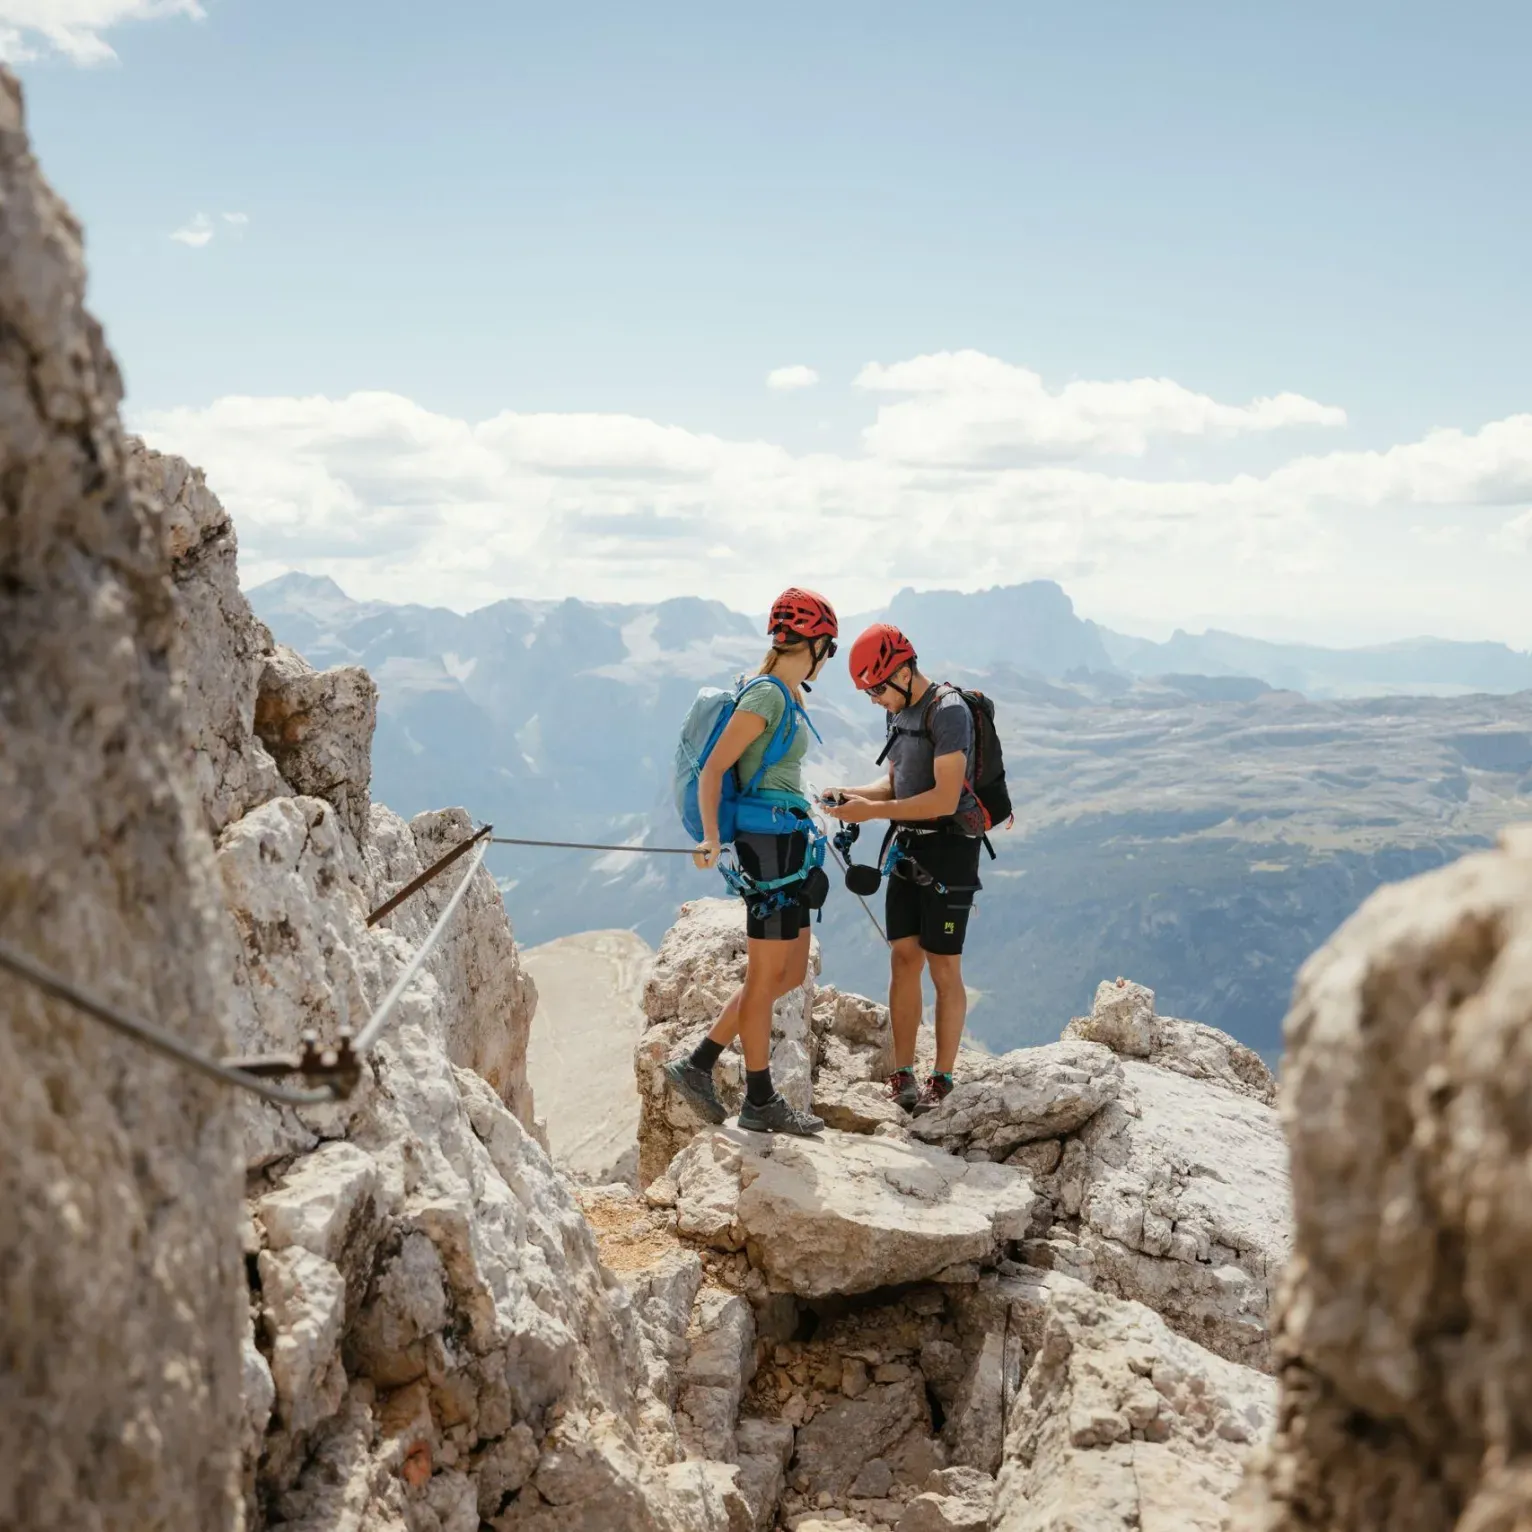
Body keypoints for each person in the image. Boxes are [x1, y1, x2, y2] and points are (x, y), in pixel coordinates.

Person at [663, 588, 838, 1135]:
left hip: (787, 840)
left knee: (787, 971)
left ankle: (699, 1063)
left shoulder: (786, 695)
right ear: (812, 644)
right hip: (765, 847)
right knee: (766, 976)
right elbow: (715, 770)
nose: (826, 659)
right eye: (827, 648)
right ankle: (759, 1100)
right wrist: (713, 837)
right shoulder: (766, 696)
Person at [824, 622, 983, 1114]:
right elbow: (896, 786)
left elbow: (942, 797)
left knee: (943, 966)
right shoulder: (899, 713)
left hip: (950, 852)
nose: (873, 699)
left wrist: (870, 813)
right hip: (909, 847)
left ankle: (943, 1077)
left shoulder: (949, 712)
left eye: (875, 689)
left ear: (901, 671)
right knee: (903, 959)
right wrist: (851, 795)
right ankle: (903, 1072)